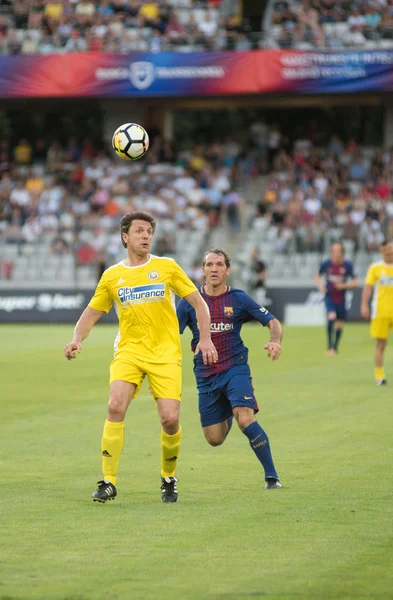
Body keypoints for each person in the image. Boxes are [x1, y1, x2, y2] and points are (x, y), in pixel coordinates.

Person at [64, 212, 218, 504]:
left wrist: (206, 337)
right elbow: (92, 313)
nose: (145, 236)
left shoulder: (167, 267)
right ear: (125, 237)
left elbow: (199, 302)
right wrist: (76, 339)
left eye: (149, 231)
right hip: (129, 352)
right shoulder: (112, 276)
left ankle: (168, 477)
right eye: (139, 231)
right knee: (114, 406)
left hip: (165, 353)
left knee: (170, 419)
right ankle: (108, 481)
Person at [177, 248, 283, 490]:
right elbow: (171, 336)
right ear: (202, 270)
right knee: (214, 439)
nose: (214, 269)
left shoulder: (239, 298)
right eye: (209, 265)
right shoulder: (189, 302)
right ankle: (229, 407)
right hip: (205, 375)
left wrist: (275, 340)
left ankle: (272, 476)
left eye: (219, 264)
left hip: (235, 368)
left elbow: (272, 322)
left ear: (227, 270)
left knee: (246, 418)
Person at [315, 242, 358, 356]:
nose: (336, 253)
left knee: (339, 323)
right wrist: (320, 286)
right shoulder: (326, 264)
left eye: (338, 250)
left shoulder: (347, 265)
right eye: (334, 250)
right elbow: (317, 275)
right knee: (331, 317)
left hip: (341, 298)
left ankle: (335, 347)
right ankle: (329, 346)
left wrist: (343, 286)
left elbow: (355, 282)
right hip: (329, 297)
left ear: (342, 252)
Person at [360, 240, 393, 386]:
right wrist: (364, 305)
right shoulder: (376, 267)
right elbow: (368, 288)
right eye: (386, 249)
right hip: (381, 312)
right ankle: (379, 376)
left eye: (391, 248)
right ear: (382, 251)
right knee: (381, 344)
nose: (390, 252)